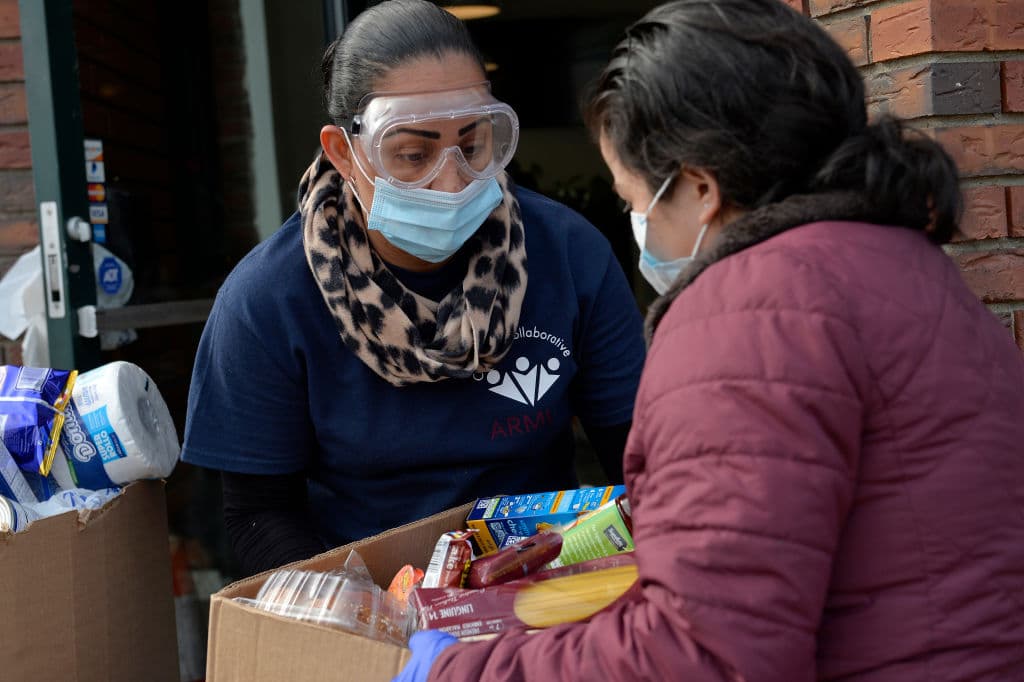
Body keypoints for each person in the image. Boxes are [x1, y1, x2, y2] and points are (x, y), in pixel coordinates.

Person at [395, 0, 1024, 680]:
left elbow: (699, 654)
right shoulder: (901, 264)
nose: (635, 220)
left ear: (698, 188)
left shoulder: (749, 315)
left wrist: (461, 672)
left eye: (632, 198)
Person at [180, 0, 645, 577]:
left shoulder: (568, 256)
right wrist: (365, 622)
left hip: (540, 589)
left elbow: (640, 462)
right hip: (368, 610)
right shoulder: (268, 302)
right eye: (411, 154)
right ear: (344, 153)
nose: (450, 180)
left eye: (473, 144)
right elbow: (257, 514)